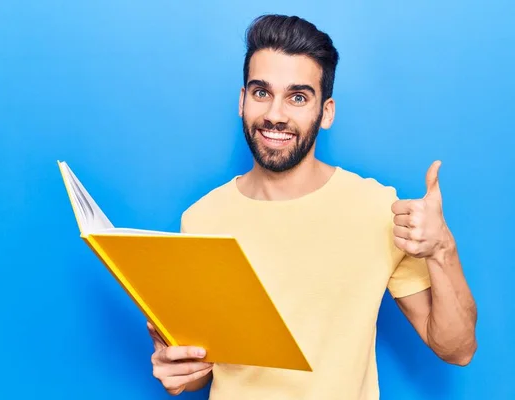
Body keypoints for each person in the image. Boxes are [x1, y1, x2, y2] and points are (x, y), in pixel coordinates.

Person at [146, 14, 478, 399]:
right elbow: (206, 365)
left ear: (327, 112)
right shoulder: (201, 219)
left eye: (298, 97)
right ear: (242, 101)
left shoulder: (376, 209)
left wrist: (442, 249)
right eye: (261, 92)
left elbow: (458, 349)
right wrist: (182, 370)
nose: (275, 114)